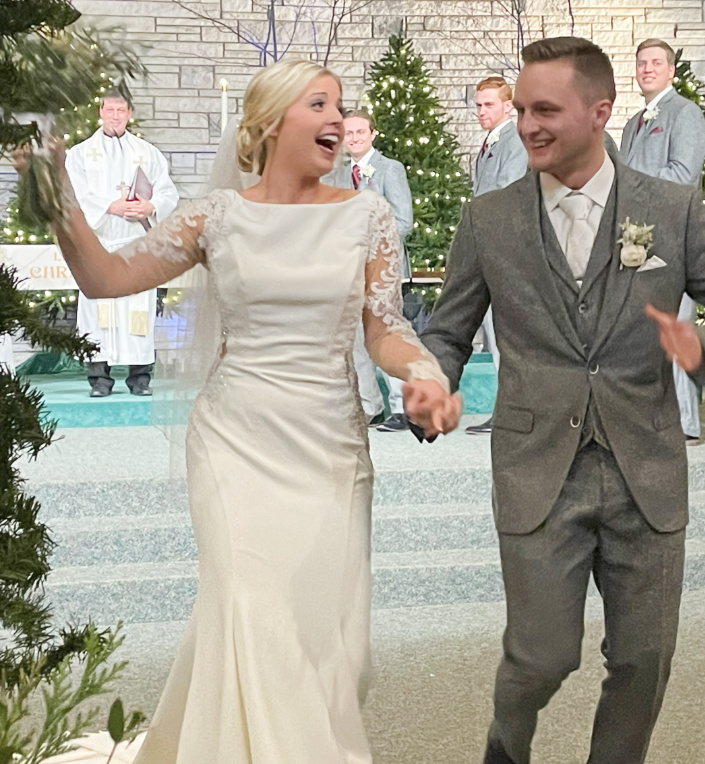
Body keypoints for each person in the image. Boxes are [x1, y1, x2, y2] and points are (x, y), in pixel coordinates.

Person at [38, 58, 460, 763]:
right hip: (234, 444)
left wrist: (424, 375)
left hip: (329, 448)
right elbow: (105, 277)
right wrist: (54, 196)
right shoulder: (216, 216)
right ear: (268, 123)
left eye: (340, 106)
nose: (337, 119)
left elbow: (385, 327)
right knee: (250, 609)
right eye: (318, 104)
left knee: (322, 637)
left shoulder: (367, 215)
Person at [410, 37, 705, 764]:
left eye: (545, 110)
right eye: (521, 109)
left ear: (600, 112)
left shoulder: (670, 208)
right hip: (537, 466)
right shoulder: (488, 219)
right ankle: (504, 749)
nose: (526, 125)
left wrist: (704, 344)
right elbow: (447, 332)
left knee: (644, 659)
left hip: (645, 465)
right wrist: (432, 382)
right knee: (541, 656)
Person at [620, 38, 705, 445]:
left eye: (656, 62)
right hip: (636, 240)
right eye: (642, 63)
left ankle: (685, 422)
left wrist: (633, 188)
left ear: (671, 71)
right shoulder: (632, 124)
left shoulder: (685, 113)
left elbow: (683, 175)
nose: (648, 69)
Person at [65, 87, 179, 397]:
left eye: (121, 110)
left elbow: (167, 192)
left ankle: (139, 378)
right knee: (97, 312)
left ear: (129, 114)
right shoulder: (79, 154)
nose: (115, 116)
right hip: (99, 244)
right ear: (100, 112)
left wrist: (150, 206)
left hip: (136, 245)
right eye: (110, 110)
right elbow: (74, 194)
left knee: (137, 310)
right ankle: (100, 380)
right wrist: (110, 206)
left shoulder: (148, 153)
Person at [333, 109, 415, 432]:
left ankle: (403, 408)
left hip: (383, 267)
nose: (354, 138)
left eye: (360, 132)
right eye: (348, 133)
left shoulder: (389, 169)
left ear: (372, 134)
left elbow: (404, 221)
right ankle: (370, 406)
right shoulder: (340, 175)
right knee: (356, 338)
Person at [465, 76, 529, 435]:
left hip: (505, 249)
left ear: (508, 106)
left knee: (506, 335)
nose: (481, 111)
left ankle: (513, 412)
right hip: (488, 247)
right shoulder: (489, 143)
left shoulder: (514, 140)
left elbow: (507, 194)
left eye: (488, 104)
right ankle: (505, 409)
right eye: (478, 105)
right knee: (494, 334)